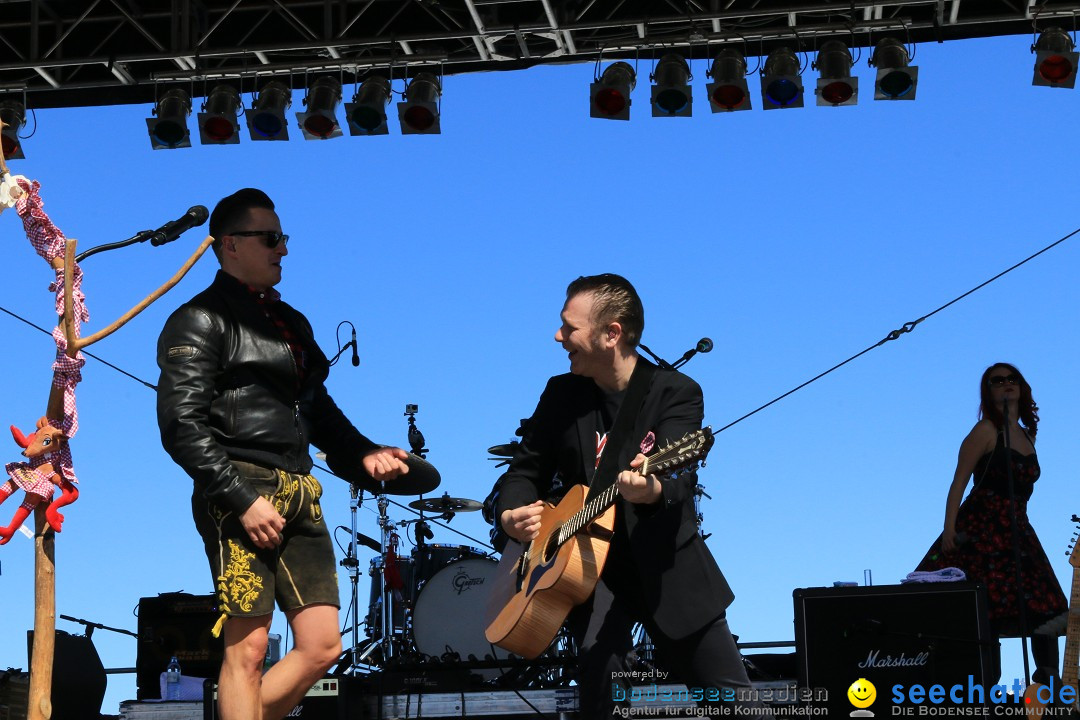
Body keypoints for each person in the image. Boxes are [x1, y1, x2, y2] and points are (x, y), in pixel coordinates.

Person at [156, 188, 410, 720]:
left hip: (300, 489)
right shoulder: (199, 318)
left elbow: (319, 409)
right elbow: (181, 425)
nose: (283, 250)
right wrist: (241, 498)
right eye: (270, 238)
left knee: (322, 647)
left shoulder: (291, 322)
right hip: (238, 490)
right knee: (246, 649)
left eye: (283, 238)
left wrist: (364, 453)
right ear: (229, 244)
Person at [487, 274, 759, 716]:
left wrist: (650, 489)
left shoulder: (675, 391)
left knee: (735, 705)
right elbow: (525, 469)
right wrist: (512, 514)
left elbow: (679, 478)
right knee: (600, 700)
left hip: (668, 569)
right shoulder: (561, 394)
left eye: (569, 328)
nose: (558, 337)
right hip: (590, 574)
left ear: (611, 333)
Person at [915, 363, 1067, 686]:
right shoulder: (985, 431)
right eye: (998, 381)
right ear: (989, 392)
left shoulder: (1028, 436)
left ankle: (1047, 683)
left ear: (1022, 387)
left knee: (1047, 605)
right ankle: (984, 685)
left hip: (1017, 528)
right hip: (982, 527)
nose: (1006, 384)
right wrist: (950, 530)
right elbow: (958, 482)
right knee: (984, 608)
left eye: (1012, 379)